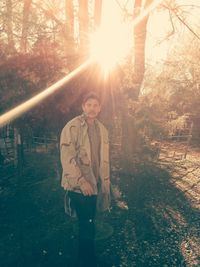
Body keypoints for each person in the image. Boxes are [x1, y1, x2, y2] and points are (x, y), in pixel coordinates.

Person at [60, 92, 111, 267]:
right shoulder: (72, 127)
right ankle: (87, 261)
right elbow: (67, 158)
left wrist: (106, 181)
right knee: (86, 223)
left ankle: (86, 256)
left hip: (95, 184)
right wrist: (81, 182)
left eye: (96, 105)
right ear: (83, 107)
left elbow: (103, 159)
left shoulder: (102, 129)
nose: (92, 108)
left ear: (99, 108)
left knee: (89, 221)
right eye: (89, 104)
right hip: (79, 185)